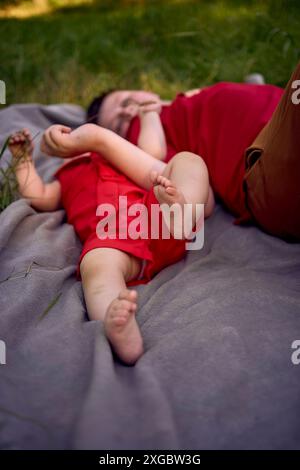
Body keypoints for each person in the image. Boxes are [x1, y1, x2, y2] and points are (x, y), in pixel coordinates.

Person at [8, 117, 214, 365]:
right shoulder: (65, 177)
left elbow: (154, 157)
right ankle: (116, 323)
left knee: (188, 160)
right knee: (96, 267)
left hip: (158, 214)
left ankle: (186, 209)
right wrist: (22, 159)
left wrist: (148, 115)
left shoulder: (119, 155)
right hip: (113, 239)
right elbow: (39, 196)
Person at [88, 64, 300, 240]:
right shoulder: (146, 128)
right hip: (267, 164)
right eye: (118, 125)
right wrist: (147, 115)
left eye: (126, 102)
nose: (126, 112)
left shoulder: (180, 107)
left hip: (279, 133)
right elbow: (154, 153)